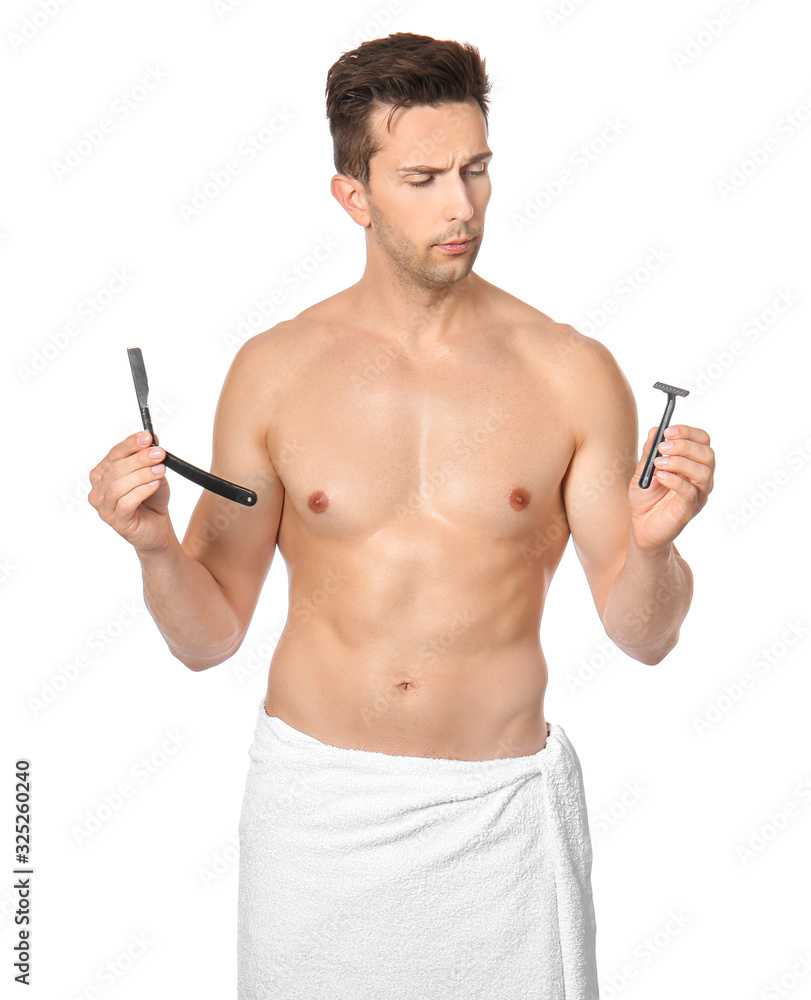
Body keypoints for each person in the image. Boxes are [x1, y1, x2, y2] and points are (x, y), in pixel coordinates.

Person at [89, 31, 715, 1000]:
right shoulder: (275, 371)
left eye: (475, 169)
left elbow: (645, 633)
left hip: (497, 825)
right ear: (354, 195)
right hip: (318, 817)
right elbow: (208, 634)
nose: (460, 205)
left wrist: (657, 548)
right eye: (422, 177)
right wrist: (154, 547)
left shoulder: (568, 372)